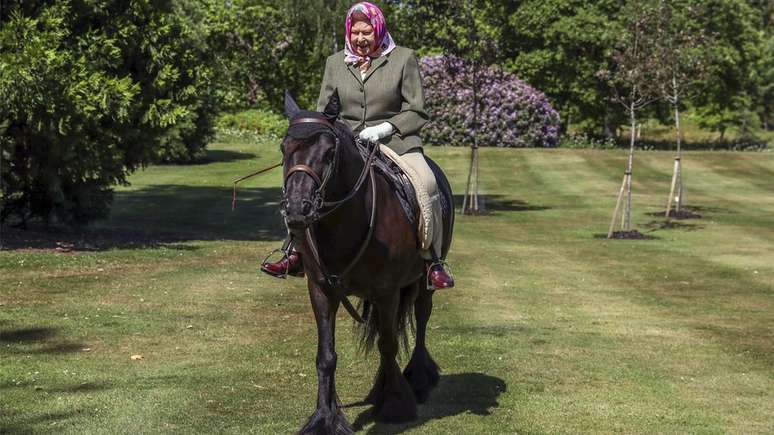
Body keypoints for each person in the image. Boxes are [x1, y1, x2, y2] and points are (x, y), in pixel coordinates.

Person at [262, 1, 453, 289]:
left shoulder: (403, 59)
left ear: (378, 30)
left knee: (427, 183)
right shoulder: (335, 63)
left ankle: (432, 260)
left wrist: (385, 128)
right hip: (346, 142)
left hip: (396, 142)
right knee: (305, 184)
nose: (361, 39)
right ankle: (295, 252)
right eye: (356, 33)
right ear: (348, 33)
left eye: (367, 32)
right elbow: (325, 112)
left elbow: (417, 110)